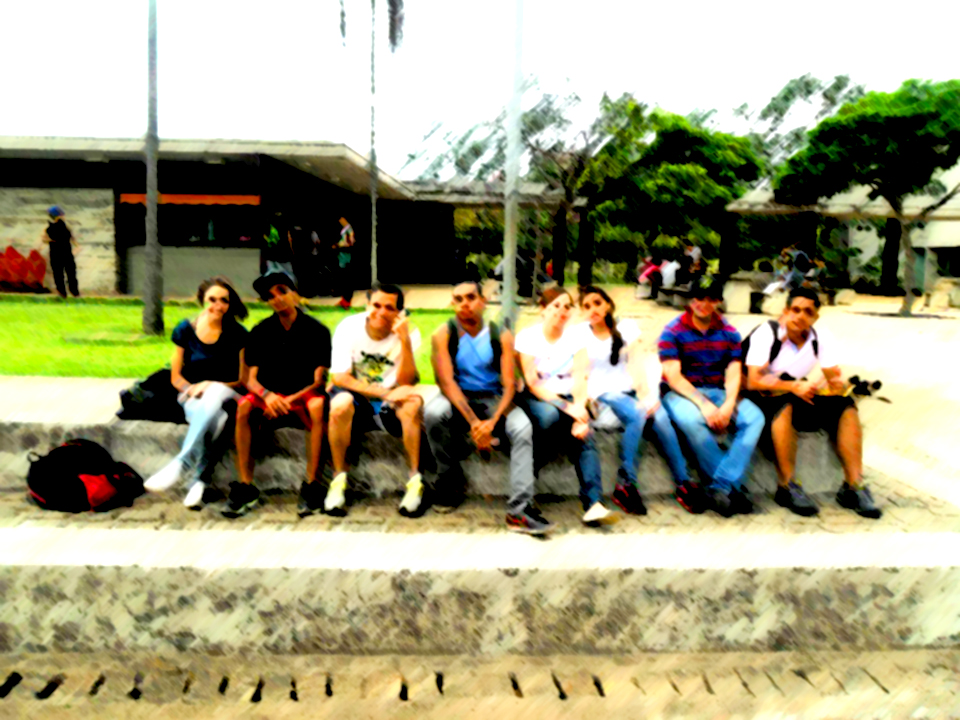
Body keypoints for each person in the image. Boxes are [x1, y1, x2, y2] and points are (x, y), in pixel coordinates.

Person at [425, 279, 550, 535]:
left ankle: (520, 509)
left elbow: (509, 385)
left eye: (471, 298)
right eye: (458, 299)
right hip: (457, 396)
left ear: (483, 301)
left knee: (522, 427)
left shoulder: (501, 335)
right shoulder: (443, 334)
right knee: (433, 413)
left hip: (494, 397)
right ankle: (448, 481)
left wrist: (491, 424)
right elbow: (446, 383)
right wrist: (475, 424)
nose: (465, 304)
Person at [743, 287, 881, 518]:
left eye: (808, 312)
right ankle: (787, 486)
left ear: (816, 317)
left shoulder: (820, 338)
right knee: (785, 404)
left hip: (792, 393)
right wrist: (794, 386)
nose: (800, 316)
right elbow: (754, 380)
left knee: (845, 405)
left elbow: (832, 376)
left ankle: (854, 486)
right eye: (796, 310)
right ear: (786, 311)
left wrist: (837, 384)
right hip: (758, 397)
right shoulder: (767, 333)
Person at [223, 271, 331, 518]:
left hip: (303, 394)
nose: (277, 299)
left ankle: (313, 484)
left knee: (318, 407)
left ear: (296, 293)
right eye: (270, 296)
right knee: (243, 407)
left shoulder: (317, 331)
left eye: (282, 291)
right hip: (269, 396)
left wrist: (288, 400)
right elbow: (250, 378)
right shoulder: (260, 331)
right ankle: (246, 485)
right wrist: (268, 396)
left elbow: (318, 381)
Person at [657, 279, 765, 517]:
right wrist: (704, 405)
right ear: (690, 299)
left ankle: (721, 486)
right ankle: (734, 489)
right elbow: (673, 377)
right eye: (699, 298)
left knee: (755, 418)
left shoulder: (730, 333)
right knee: (693, 421)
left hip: (718, 390)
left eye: (711, 299)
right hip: (681, 393)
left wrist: (728, 405)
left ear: (719, 301)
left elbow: (733, 373)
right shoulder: (672, 331)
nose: (704, 304)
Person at [515, 286, 619, 525]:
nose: (561, 311)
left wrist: (580, 411)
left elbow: (581, 378)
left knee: (585, 434)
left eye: (567, 306)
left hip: (569, 399)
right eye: (555, 306)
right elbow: (533, 383)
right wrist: (569, 409)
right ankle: (524, 498)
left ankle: (593, 504)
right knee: (549, 417)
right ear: (543, 309)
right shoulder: (528, 337)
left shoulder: (576, 339)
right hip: (538, 398)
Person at [143, 277, 249, 509]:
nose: (218, 305)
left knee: (216, 392)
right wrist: (190, 389)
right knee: (217, 421)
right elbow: (176, 378)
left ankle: (182, 463)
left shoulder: (238, 333)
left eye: (224, 300)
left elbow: (243, 381)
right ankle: (199, 481)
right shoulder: (185, 330)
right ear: (202, 300)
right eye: (212, 299)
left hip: (229, 393)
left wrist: (210, 383)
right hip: (193, 397)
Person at [325, 283, 425, 517]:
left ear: (399, 312)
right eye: (376, 305)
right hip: (356, 395)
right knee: (339, 405)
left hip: (389, 399)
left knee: (412, 405)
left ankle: (415, 482)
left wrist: (405, 341)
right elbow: (340, 377)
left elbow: (407, 381)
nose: (381, 312)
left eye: (389, 308)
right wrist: (383, 393)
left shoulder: (409, 333)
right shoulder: (349, 327)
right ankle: (338, 481)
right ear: (367, 306)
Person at [575, 286, 649, 515]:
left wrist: (645, 392)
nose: (593, 310)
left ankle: (683, 482)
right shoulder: (579, 333)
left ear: (608, 304)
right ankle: (627, 483)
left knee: (653, 418)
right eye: (586, 306)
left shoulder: (626, 327)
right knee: (637, 414)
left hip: (625, 392)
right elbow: (579, 372)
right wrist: (582, 400)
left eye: (597, 303)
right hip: (600, 394)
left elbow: (638, 362)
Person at [41, 205, 79, 297]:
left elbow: (44, 239)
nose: (63, 216)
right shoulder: (63, 228)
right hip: (64, 253)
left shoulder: (51, 228)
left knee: (60, 274)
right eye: (62, 215)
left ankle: (64, 292)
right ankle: (72, 292)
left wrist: (51, 240)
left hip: (58, 253)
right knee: (68, 273)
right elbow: (73, 240)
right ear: (58, 216)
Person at [262, 211, 295, 281]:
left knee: (270, 272)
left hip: (271, 254)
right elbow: (289, 239)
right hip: (283, 255)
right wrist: (292, 252)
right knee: (290, 275)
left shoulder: (269, 228)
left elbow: (265, 240)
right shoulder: (285, 228)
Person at [334, 217, 355, 309]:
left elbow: (350, 243)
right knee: (343, 281)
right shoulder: (345, 230)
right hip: (343, 259)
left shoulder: (349, 230)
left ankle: (346, 302)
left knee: (347, 281)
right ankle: (344, 300)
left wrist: (338, 245)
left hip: (347, 260)